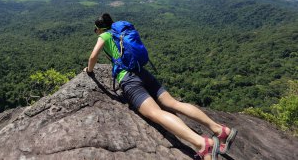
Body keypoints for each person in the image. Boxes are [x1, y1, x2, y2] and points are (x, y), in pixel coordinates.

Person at [84, 13, 237, 160]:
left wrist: (89, 71)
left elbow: (93, 56)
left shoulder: (104, 35)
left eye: (95, 29)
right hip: (142, 71)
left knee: (154, 113)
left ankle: (202, 144)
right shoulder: (121, 32)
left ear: (100, 28)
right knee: (173, 103)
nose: (95, 32)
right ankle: (220, 130)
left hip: (128, 79)